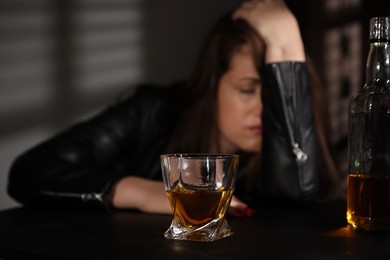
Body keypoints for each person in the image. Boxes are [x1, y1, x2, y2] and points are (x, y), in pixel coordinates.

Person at [7, 0, 341, 216]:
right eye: (247, 89)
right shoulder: (153, 111)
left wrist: (285, 37)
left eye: (276, 96)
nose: (261, 110)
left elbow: (295, 194)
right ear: (213, 85)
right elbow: (27, 172)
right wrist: (138, 191)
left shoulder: (302, 157)